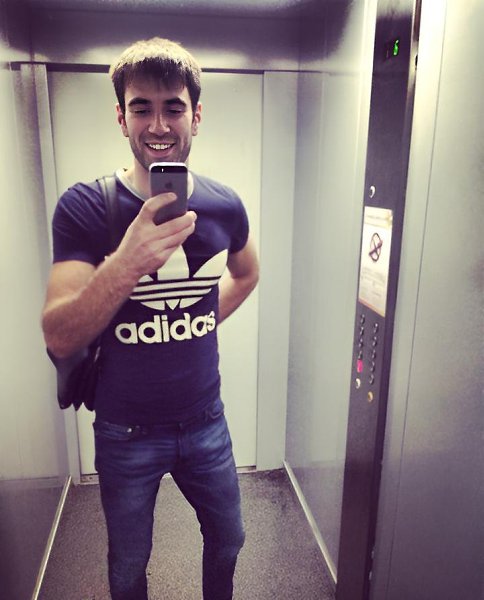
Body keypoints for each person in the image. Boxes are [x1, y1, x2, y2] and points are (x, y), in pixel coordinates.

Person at [41, 37, 259, 600]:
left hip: (206, 421)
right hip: (125, 432)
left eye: (173, 108)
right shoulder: (85, 207)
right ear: (121, 117)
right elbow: (59, 334)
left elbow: (246, 274)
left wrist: (195, 320)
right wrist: (127, 261)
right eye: (141, 108)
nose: (158, 125)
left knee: (230, 539)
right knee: (128, 564)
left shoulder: (225, 204)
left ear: (196, 115)